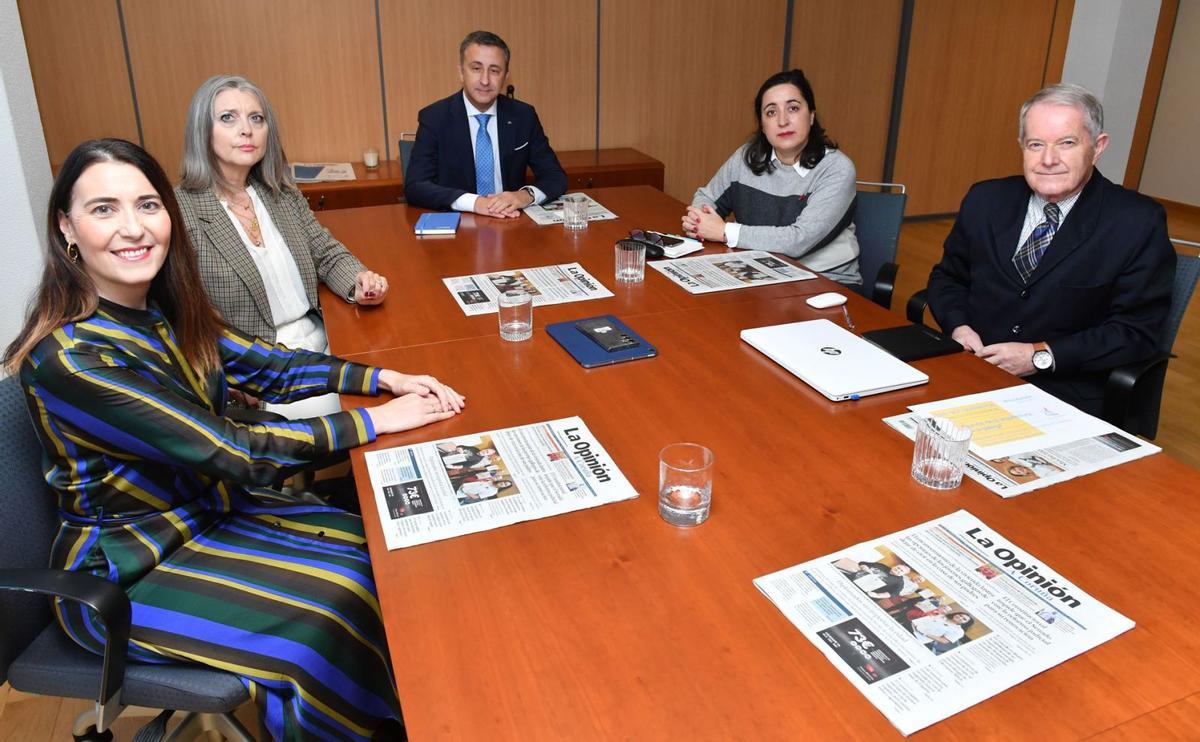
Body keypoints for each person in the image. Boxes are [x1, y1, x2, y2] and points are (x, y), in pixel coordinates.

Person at [5, 138, 467, 741]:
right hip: (123, 573)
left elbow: (270, 366)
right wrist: (378, 420)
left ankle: (427, 716)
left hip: (211, 512)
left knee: (383, 550)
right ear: (67, 228)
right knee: (328, 612)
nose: (132, 228)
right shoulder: (72, 358)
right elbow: (235, 453)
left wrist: (383, 378)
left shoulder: (163, 309)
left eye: (147, 205)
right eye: (103, 210)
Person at [926, 83, 1176, 416]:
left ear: (1098, 147)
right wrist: (959, 326)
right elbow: (949, 278)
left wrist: (1038, 356)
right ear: (1021, 147)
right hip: (967, 370)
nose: (1048, 159)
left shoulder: (1137, 221)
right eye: (1036, 144)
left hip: (1062, 392)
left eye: (1067, 143)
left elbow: (1135, 332)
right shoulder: (985, 199)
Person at [176, 74, 389, 419]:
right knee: (378, 405)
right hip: (264, 373)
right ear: (202, 131)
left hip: (324, 341)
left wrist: (359, 282)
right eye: (228, 118)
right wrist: (222, 374)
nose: (246, 129)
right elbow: (181, 314)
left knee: (402, 369)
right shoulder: (180, 212)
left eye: (256, 119)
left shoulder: (279, 194)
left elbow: (325, 251)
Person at [683, 68, 861, 285]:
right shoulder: (745, 158)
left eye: (793, 108)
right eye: (771, 112)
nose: (783, 120)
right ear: (762, 125)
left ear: (812, 115)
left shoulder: (836, 168)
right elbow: (706, 197)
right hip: (758, 274)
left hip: (826, 282)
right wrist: (699, 221)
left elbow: (798, 240)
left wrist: (723, 231)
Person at [404, 30, 567, 216]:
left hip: (511, 222)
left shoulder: (523, 116)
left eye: (495, 71)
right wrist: (475, 203)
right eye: (476, 68)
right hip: (459, 225)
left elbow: (555, 177)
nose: (485, 80)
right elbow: (415, 186)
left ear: (505, 77)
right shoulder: (434, 118)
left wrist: (525, 196)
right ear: (461, 72)